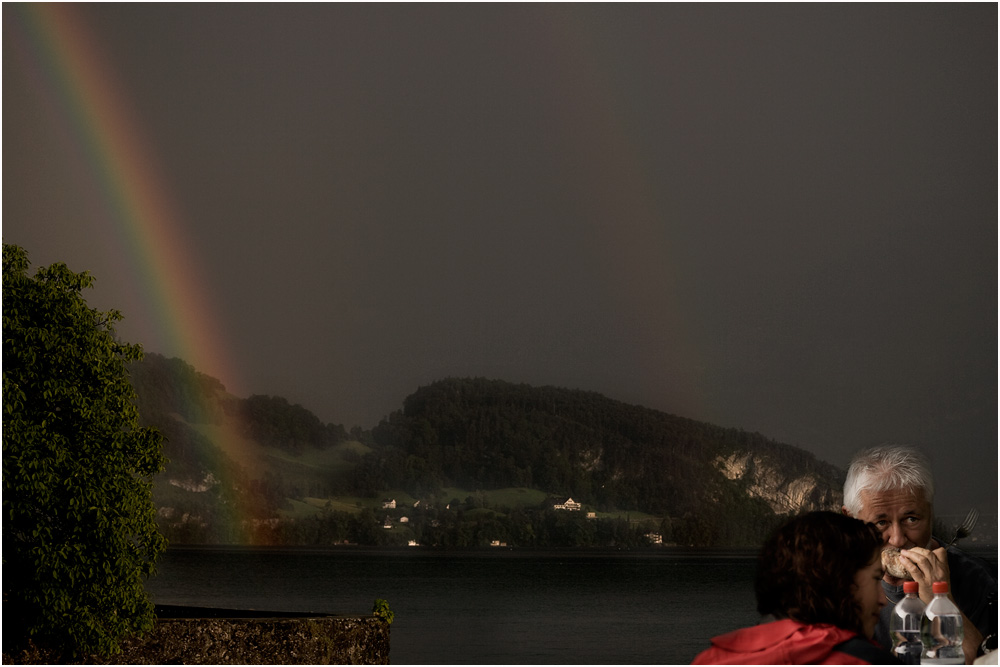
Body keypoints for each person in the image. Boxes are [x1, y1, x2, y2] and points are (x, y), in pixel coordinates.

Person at [842, 444, 997, 664]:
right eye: (881, 522)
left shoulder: (980, 581)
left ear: (930, 515)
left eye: (911, 519)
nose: (897, 539)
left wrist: (942, 601)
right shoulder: (833, 583)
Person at [693, 511, 895, 664]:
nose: (883, 600)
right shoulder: (865, 660)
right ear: (838, 581)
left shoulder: (708, 659)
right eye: (876, 579)